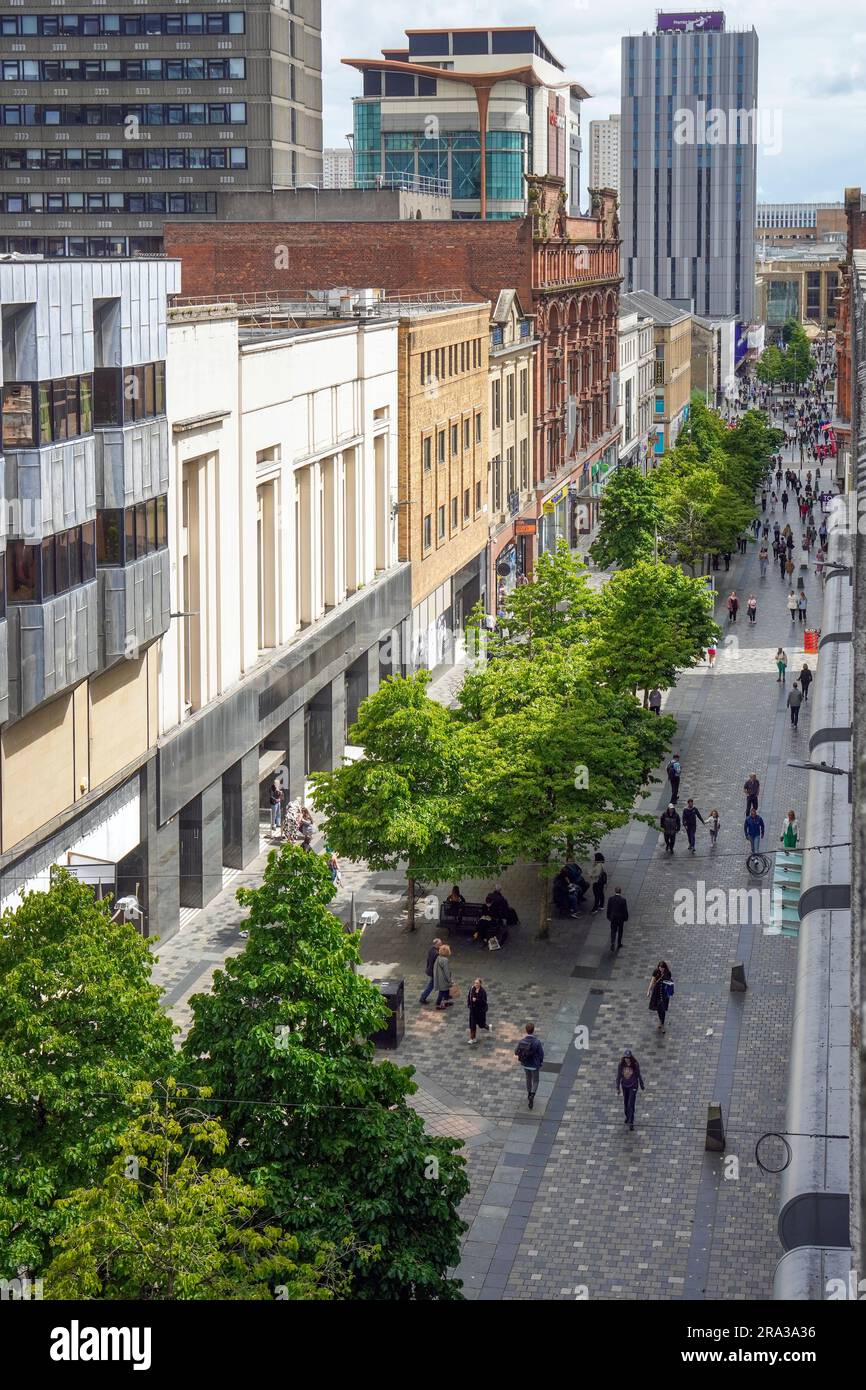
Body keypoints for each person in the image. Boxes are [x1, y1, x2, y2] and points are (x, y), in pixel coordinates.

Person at [515, 1021, 544, 1109]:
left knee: (528, 1078)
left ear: (526, 1030)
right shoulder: (537, 1042)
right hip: (535, 1065)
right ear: (533, 1030)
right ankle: (532, 1095)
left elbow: (516, 1052)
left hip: (525, 1063)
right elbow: (541, 1054)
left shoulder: (522, 1041)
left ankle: (528, 1093)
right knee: (536, 1080)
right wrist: (540, 1062)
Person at [616, 1050, 645, 1131]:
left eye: (628, 1058)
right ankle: (627, 1116)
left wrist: (642, 1084)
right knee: (625, 1104)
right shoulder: (621, 1065)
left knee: (630, 1104)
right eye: (626, 1057)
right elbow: (618, 1076)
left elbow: (638, 1075)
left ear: (631, 1057)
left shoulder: (635, 1064)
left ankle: (631, 1122)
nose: (627, 1059)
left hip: (633, 1086)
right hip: (625, 1086)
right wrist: (617, 1087)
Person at [647, 962, 673, 1033]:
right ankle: (660, 1021)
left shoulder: (668, 973)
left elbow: (670, 982)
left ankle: (662, 1025)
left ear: (665, 968)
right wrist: (649, 990)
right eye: (660, 967)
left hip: (664, 993)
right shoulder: (656, 972)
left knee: (663, 1009)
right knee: (658, 1008)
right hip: (657, 992)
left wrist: (670, 990)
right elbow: (652, 982)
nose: (661, 969)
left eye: (662, 968)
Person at [419, 937, 443, 1005]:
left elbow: (428, 960)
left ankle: (423, 997)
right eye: (440, 944)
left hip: (430, 970)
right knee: (432, 986)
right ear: (437, 944)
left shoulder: (431, 949)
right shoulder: (437, 954)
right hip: (434, 973)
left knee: (432, 985)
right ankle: (423, 998)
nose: (441, 945)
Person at [606, 886, 629, 953]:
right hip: (620, 918)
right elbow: (625, 910)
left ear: (615, 891)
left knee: (613, 930)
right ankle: (619, 943)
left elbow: (609, 908)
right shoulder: (623, 900)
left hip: (613, 918)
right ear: (620, 891)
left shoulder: (611, 899)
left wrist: (608, 916)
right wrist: (626, 917)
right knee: (620, 931)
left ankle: (613, 942)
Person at [467, 979, 490, 1044]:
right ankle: (472, 1038)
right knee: (472, 1025)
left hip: (480, 1011)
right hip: (473, 1011)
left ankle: (488, 1027)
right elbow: (469, 997)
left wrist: (476, 1000)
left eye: (477, 983)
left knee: (481, 1024)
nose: (475, 984)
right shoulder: (472, 989)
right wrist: (469, 1004)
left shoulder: (483, 992)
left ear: (480, 984)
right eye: (475, 983)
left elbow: (484, 1002)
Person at [433, 944, 454, 1010]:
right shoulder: (445, 960)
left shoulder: (438, 957)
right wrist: (450, 981)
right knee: (442, 992)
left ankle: (445, 1002)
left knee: (445, 991)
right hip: (443, 980)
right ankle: (439, 1004)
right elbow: (446, 972)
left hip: (439, 978)